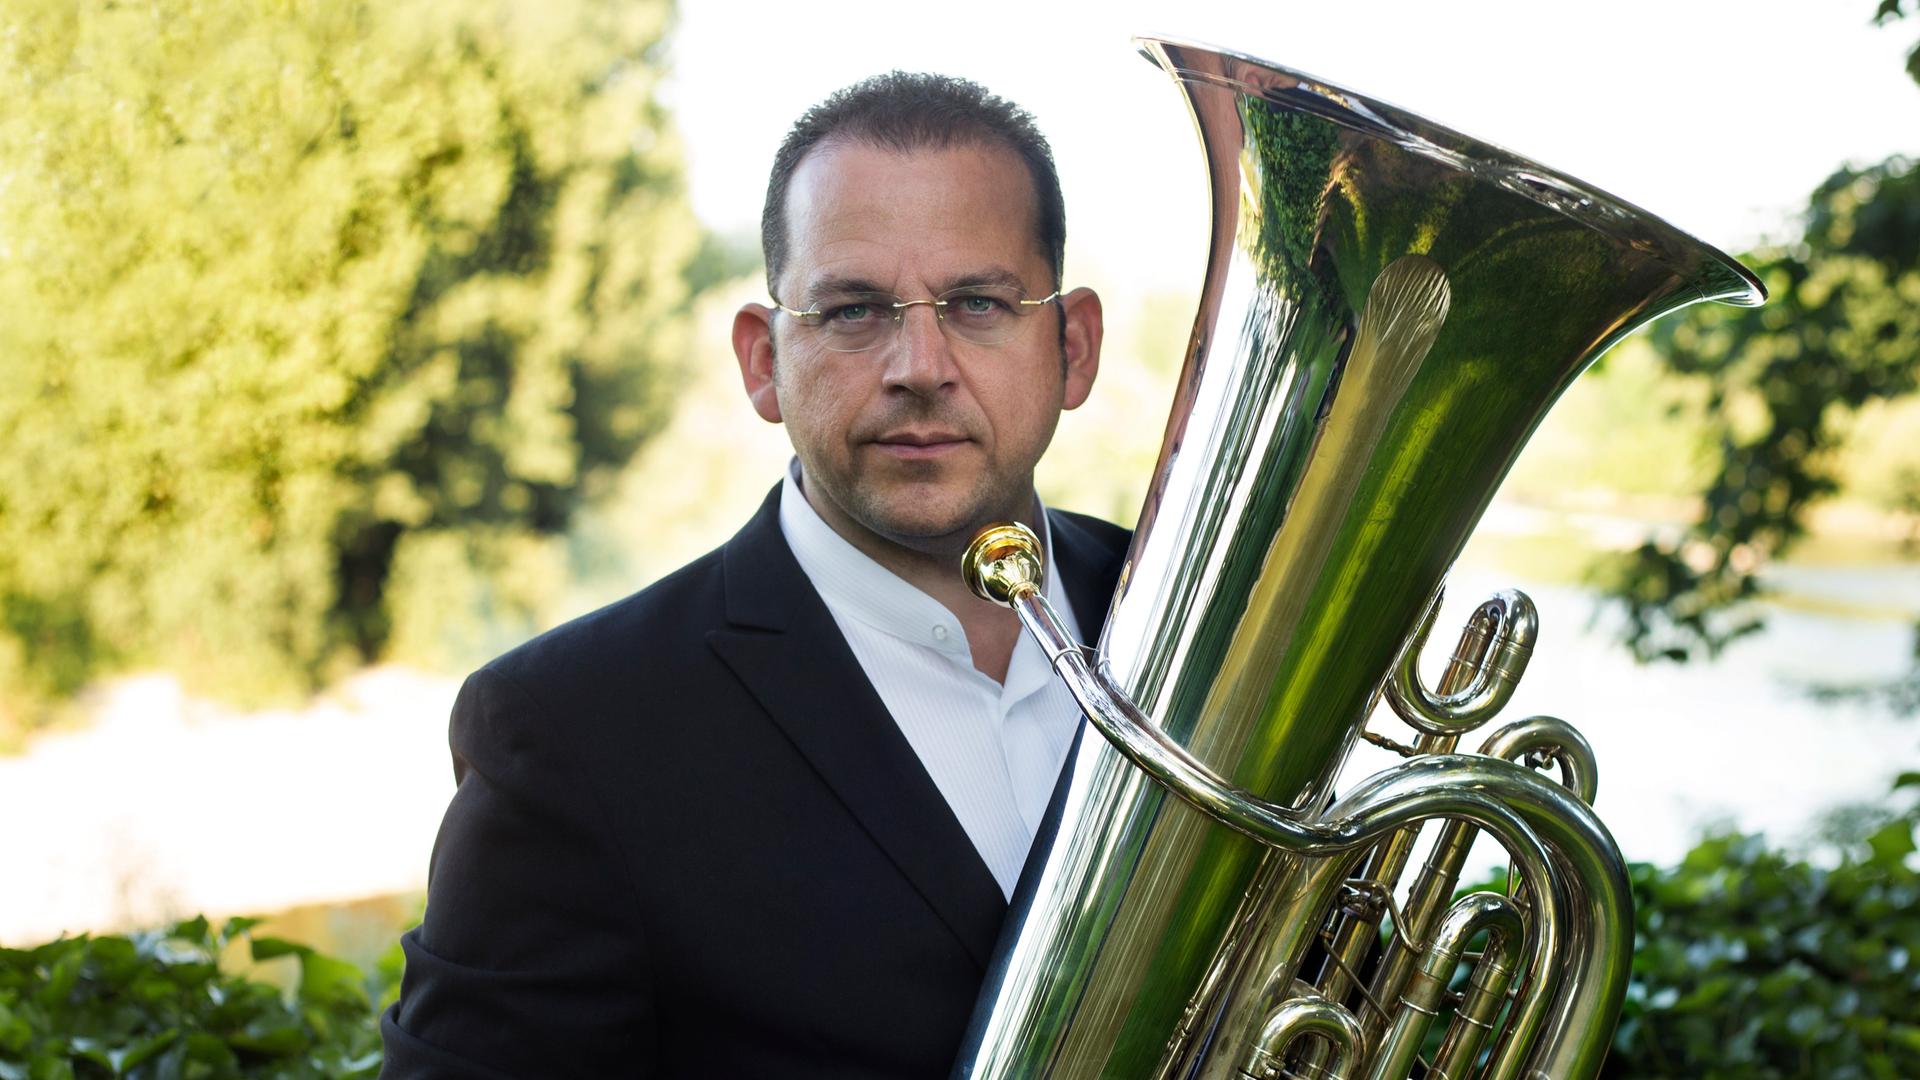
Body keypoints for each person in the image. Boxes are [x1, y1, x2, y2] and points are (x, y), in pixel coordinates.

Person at [378, 71, 1126, 1079]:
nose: (920, 363)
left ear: (1072, 347)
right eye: (855, 310)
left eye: (978, 303)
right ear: (763, 361)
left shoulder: (1225, 624)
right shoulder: (571, 736)